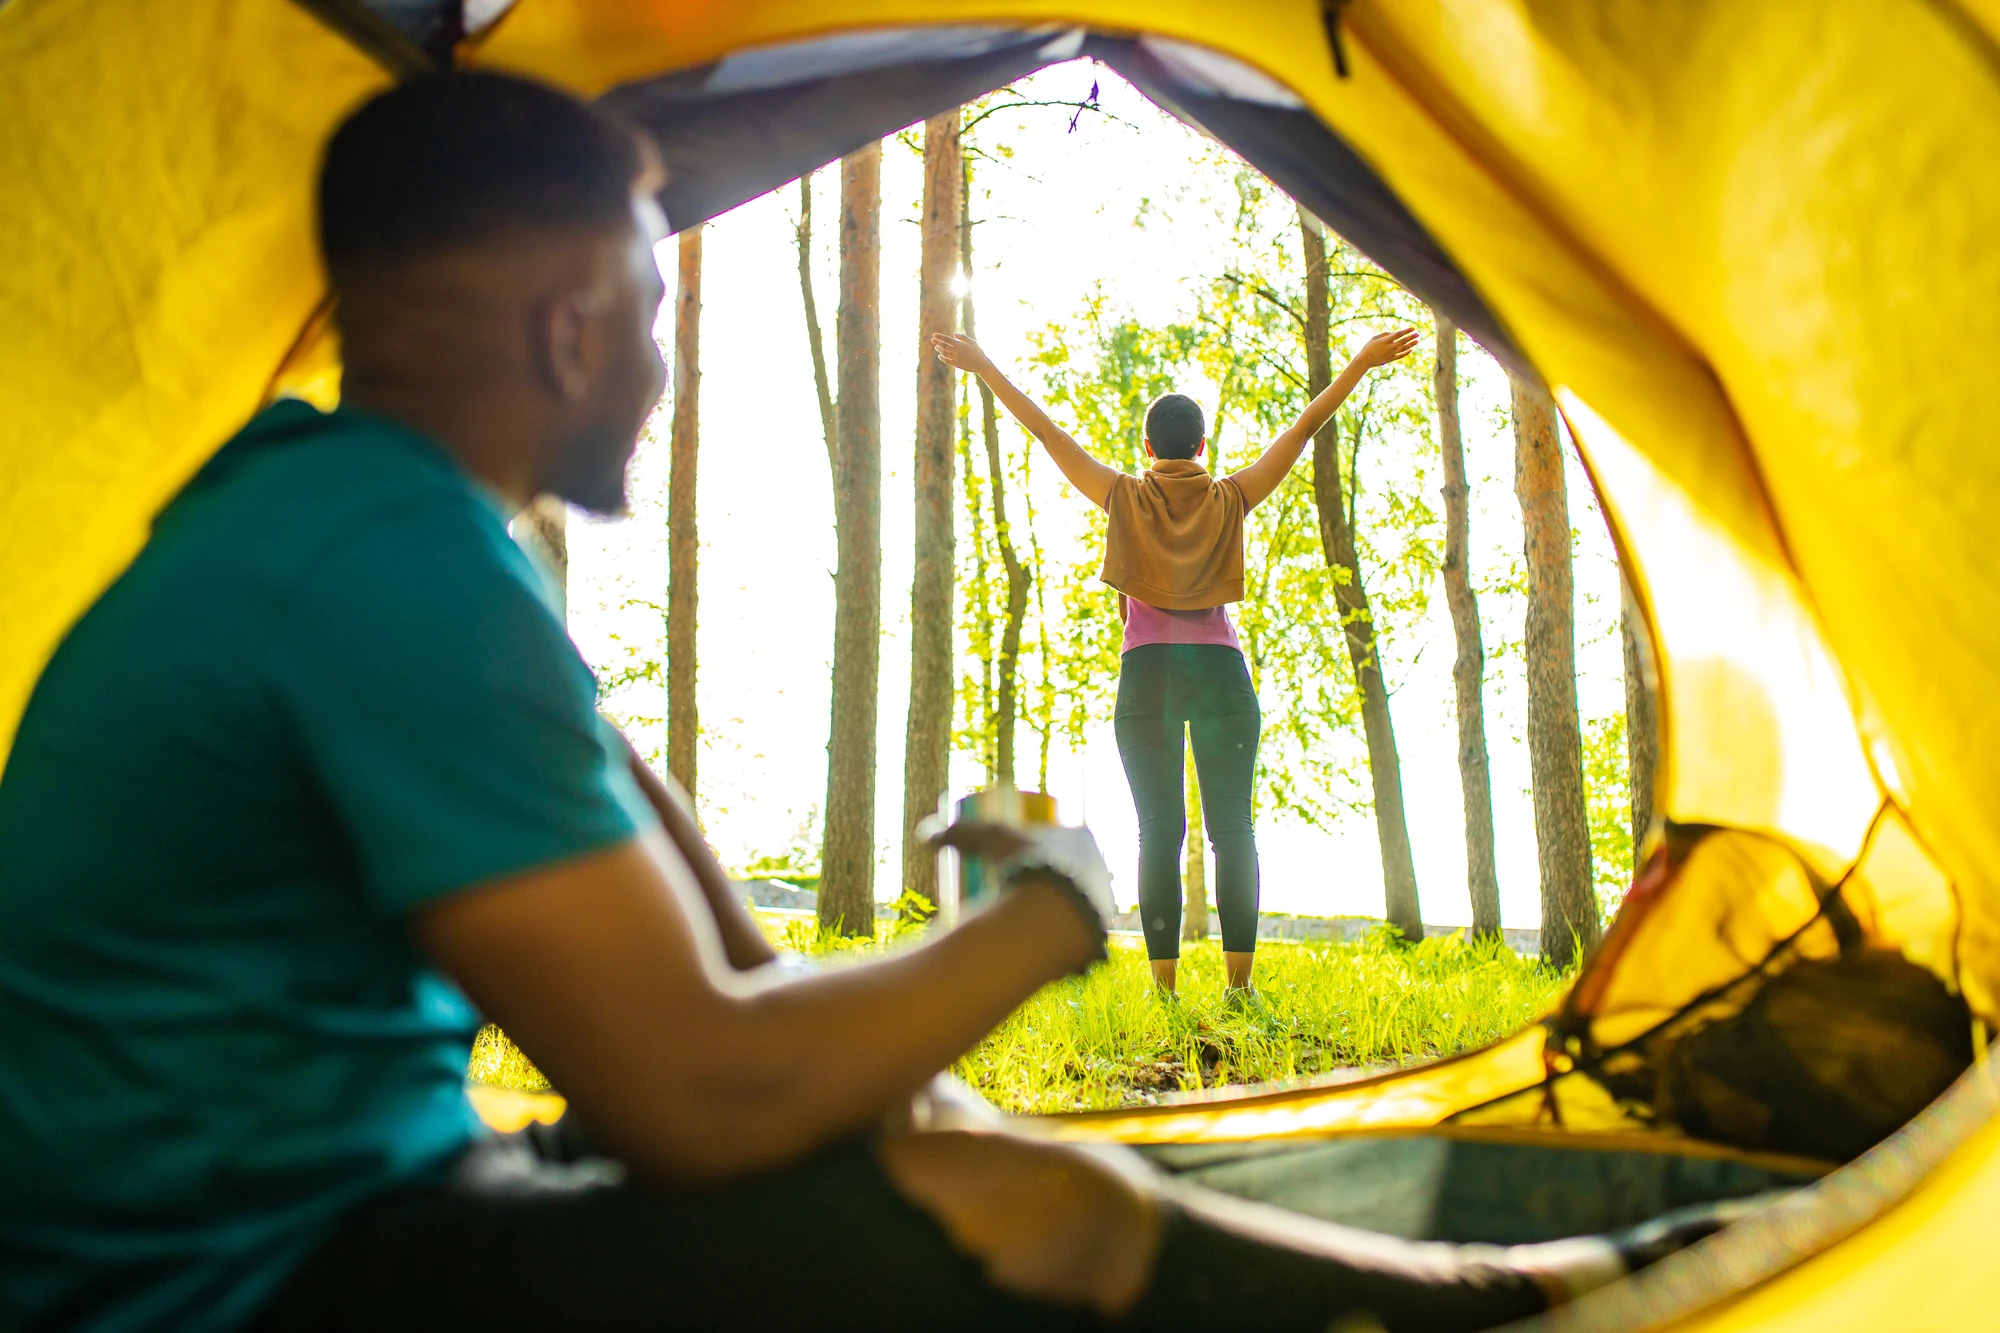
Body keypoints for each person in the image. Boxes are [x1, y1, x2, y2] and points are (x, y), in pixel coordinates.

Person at [0, 73, 1632, 1333]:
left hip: (331, 1195)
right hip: (215, 1288)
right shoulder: (395, 569)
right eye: (652, 321)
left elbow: (731, 970)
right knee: (1004, 1219)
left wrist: (930, 1039)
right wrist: (1050, 905)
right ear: (571, 334)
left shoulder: (325, 513)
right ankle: (1506, 1297)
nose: (662, 372)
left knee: (970, 1164)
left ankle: (1502, 1291)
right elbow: (708, 1094)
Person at [932, 325, 1418, 996]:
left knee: (1158, 831)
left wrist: (982, 362)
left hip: (1149, 673)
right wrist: (1360, 362)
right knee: (1232, 830)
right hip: (1220, 674)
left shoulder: (1124, 495)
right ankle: (1239, 986)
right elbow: (1303, 429)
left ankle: (1165, 988)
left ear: (1147, 447)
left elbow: (1048, 434)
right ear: (1203, 447)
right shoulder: (1231, 497)